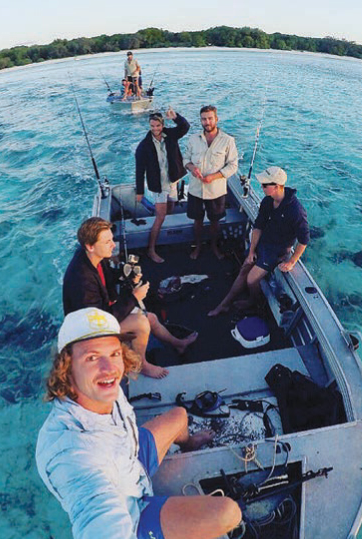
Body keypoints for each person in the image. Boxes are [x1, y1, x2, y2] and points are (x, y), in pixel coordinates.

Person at [36, 308, 241, 539]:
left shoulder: (102, 388)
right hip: (132, 508)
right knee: (229, 513)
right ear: (66, 369)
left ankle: (190, 443)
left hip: (131, 462)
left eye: (114, 353)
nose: (110, 369)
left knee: (180, 417)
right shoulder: (72, 456)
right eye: (92, 357)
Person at [63, 217, 198, 378]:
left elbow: (108, 277)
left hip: (102, 316)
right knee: (141, 323)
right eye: (107, 242)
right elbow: (100, 321)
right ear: (90, 246)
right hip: (90, 332)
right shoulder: (81, 280)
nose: (113, 245)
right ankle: (141, 365)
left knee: (152, 319)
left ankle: (178, 344)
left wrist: (125, 276)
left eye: (111, 239)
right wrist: (134, 297)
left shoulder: (94, 258)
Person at [208, 167, 310, 316]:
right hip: (263, 243)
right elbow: (258, 226)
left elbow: (304, 240)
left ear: (276, 187)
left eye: (264, 185)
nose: (261, 187)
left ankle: (254, 302)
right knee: (244, 269)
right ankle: (224, 304)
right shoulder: (268, 201)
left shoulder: (296, 211)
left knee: (251, 280)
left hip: (276, 252)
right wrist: (251, 251)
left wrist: (292, 262)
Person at [183, 105, 238, 260]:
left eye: (209, 118)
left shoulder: (228, 140)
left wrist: (214, 177)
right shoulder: (193, 139)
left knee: (215, 222)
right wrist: (191, 167)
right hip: (195, 190)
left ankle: (214, 246)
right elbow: (185, 159)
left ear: (216, 119)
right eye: (203, 119)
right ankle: (198, 246)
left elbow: (233, 165)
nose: (207, 122)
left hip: (216, 191)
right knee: (197, 220)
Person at [135, 109, 190, 263]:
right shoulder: (143, 146)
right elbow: (139, 171)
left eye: (158, 126)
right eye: (152, 126)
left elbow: (185, 127)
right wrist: (140, 191)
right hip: (159, 185)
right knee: (160, 216)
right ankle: (151, 249)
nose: (155, 129)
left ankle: (167, 234)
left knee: (171, 207)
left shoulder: (171, 135)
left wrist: (176, 117)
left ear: (162, 124)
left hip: (173, 180)